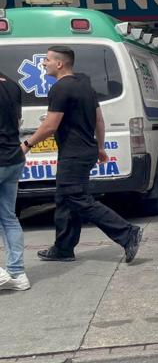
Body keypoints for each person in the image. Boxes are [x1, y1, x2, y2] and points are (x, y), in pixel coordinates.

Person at [19, 46, 142, 264]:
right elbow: (99, 120)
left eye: (47, 60)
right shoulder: (85, 85)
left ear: (60, 64)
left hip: (73, 154)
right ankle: (63, 248)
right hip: (86, 150)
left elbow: (50, 126)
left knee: (76, 198)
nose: (43, 64)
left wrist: (26, 144)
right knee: (65, 199)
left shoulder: (59, 89)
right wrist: (101, 147)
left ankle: (127, 232)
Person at [0, 70, 28, 291]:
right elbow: (17, 121)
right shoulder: (12, 85)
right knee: (8, 217)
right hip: (13, 157)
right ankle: (17, 274)